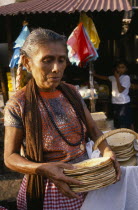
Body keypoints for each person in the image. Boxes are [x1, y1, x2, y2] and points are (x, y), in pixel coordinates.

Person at [4, 28, 121, 210]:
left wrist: (107, 152)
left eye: (61, 60)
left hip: (86, 178)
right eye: (47, 60)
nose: (56, 68)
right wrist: (43, 168)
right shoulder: (18, 104)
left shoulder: (71, 92)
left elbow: (93, 129)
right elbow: (10, 157)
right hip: (49, 188)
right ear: (27, 62)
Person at [93, 61, 133, 129]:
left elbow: (120, 90)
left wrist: (117, 78)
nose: (120, 69)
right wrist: (94, 75)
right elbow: (106, 78)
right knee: (119, 121)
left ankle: (130, 136)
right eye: (118, 67)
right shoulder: (113, 77)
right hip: (115, 102)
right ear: (116, 68)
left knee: (124, 122)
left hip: (123, 103)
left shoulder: (126, 77)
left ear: (126, 69)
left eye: (122, 67)